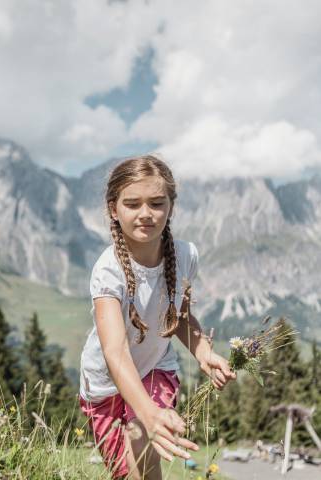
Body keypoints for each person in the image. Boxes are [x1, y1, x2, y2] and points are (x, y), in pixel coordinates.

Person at [78, 156, 236, 479]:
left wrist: (204, 353)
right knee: (126, 473)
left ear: (171, 207)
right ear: (113, 209)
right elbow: (115, 352)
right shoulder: (108, 270)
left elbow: (179, 317)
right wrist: (149, 413)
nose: (145, 214)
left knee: (141, 438)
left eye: (156, 203)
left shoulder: (186, 255)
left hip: (156, 370)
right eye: (132, 204)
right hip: (104, 385)